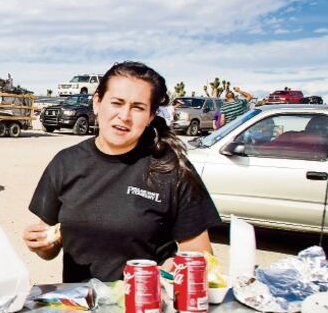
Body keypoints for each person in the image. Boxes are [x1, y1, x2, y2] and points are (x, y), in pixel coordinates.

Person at [23, 61, 221, 282]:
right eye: (116, 103)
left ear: (151, 116)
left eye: (138, 107)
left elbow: (200, 255)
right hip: (81, 301)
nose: (124, 116)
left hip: (146, 300)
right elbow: (49, 248)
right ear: (97, 103)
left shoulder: (171, 169)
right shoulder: (65, 163)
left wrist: (172, 271)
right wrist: (42, 244)